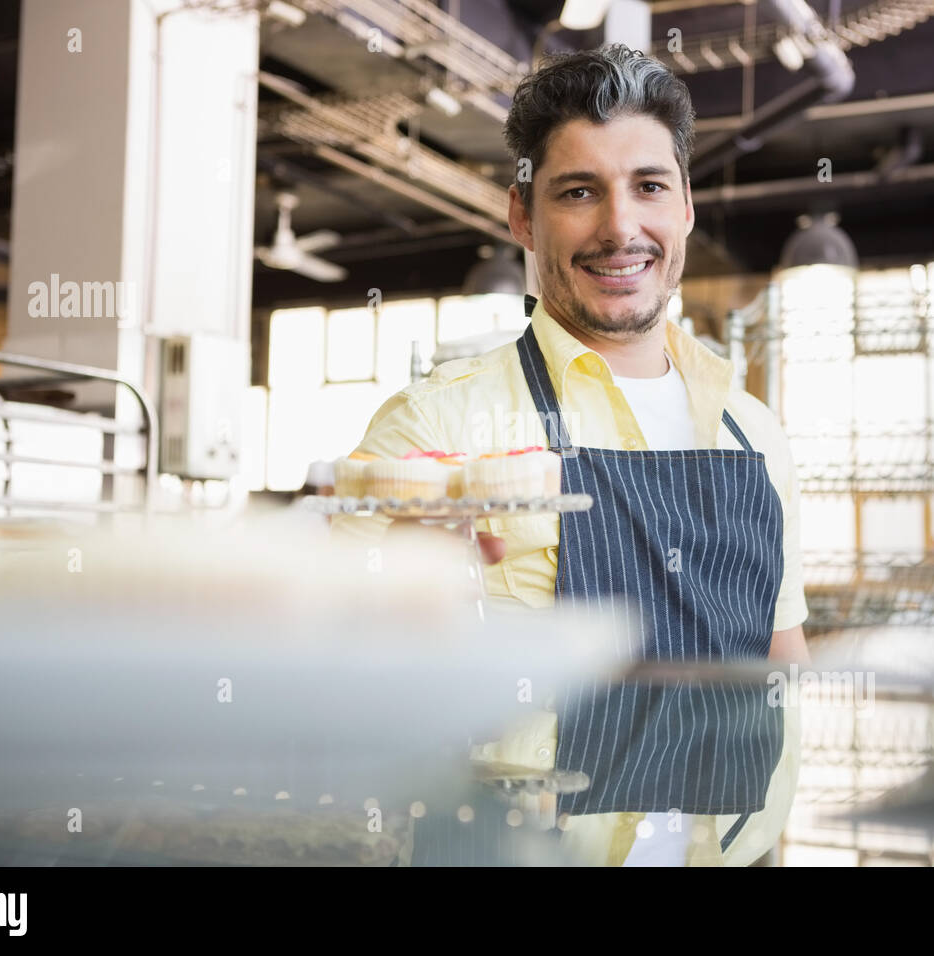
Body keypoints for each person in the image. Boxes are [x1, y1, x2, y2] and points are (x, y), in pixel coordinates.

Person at [331, 43, 810, 866]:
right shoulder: (435, 430)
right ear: (522, 215)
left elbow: (780, 665)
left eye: (648, 186)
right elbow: (332, 685)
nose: (621, 227)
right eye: (579, 192)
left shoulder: (753, 432)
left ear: (687, 204)